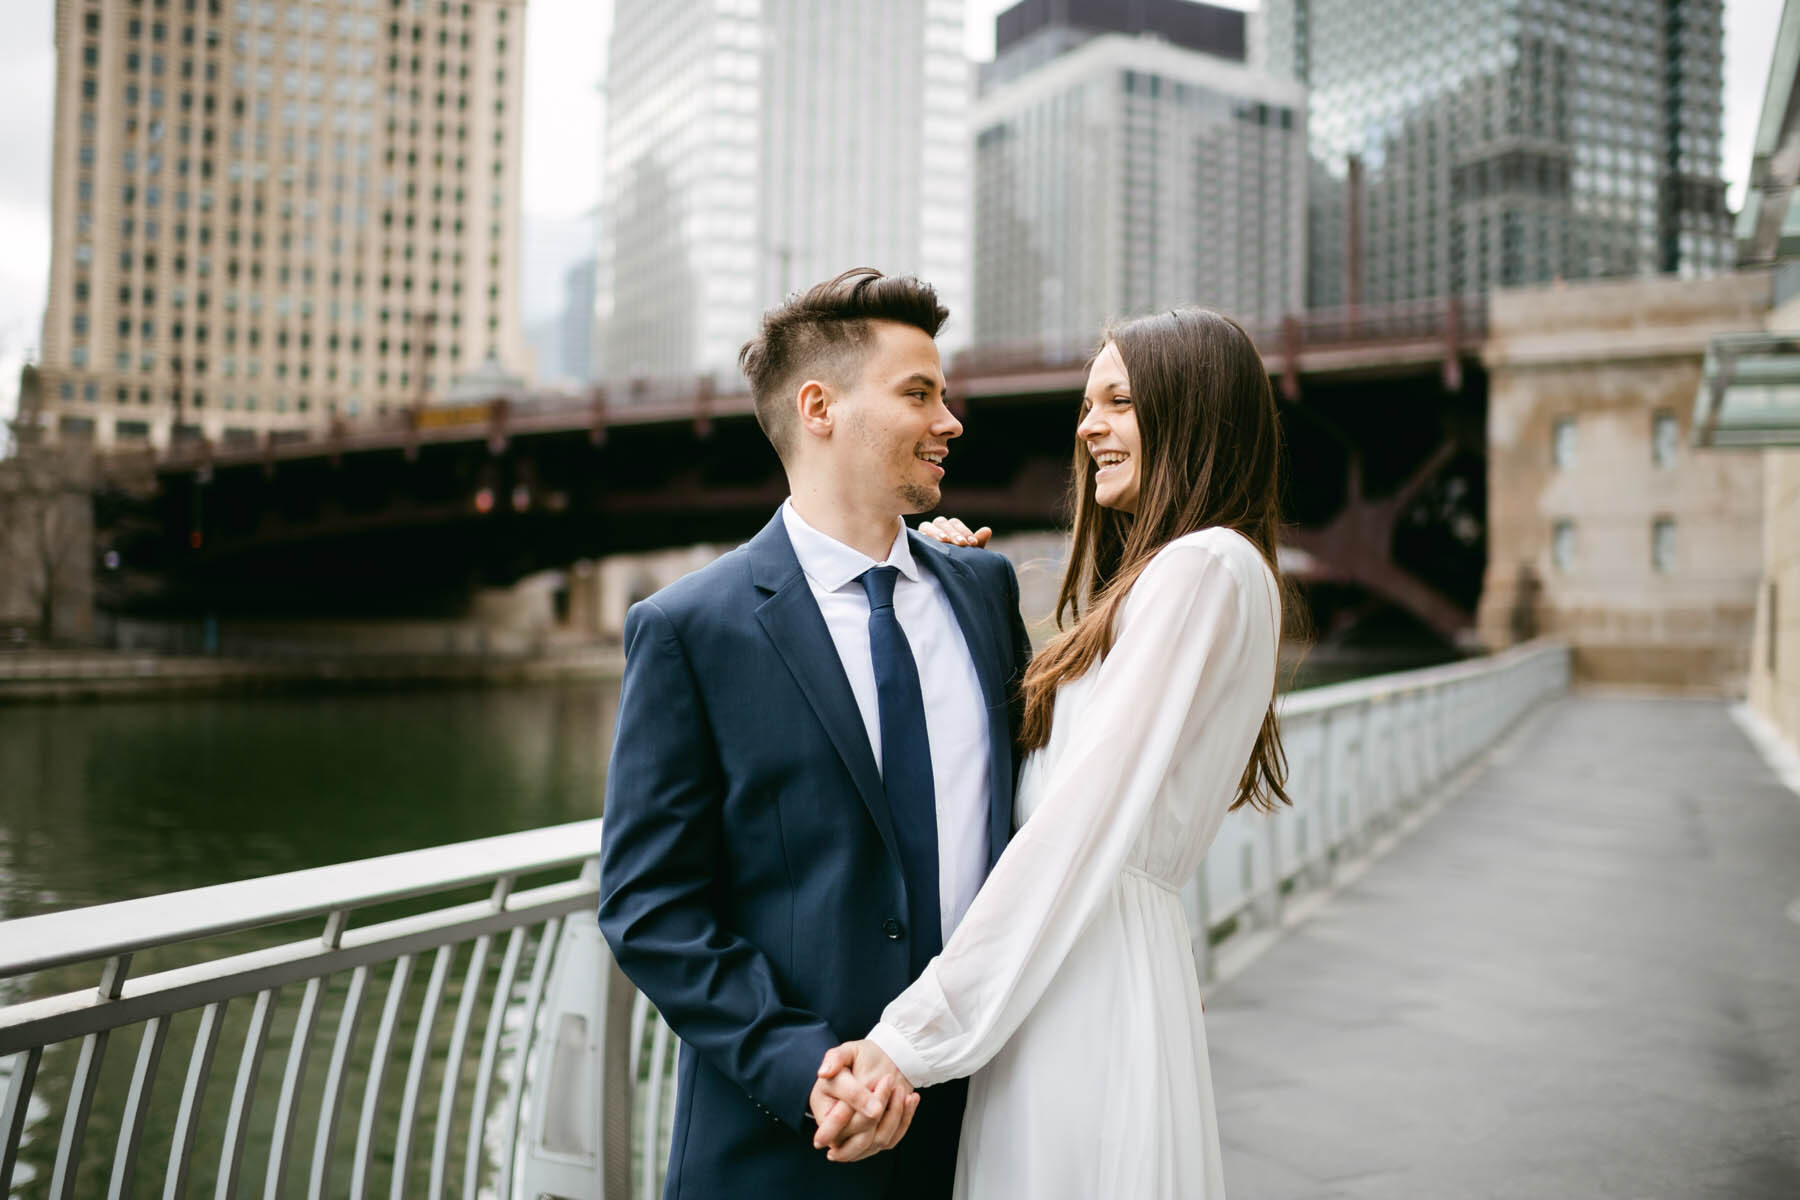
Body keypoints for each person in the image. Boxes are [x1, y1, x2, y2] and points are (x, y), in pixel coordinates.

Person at [814, 307, 1293, 1198]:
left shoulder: (1201, 569)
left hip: (1082, 968)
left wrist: (909, 1038)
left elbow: (1075, 821)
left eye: (1117, 400)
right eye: (1087, 403)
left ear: (1191, 411)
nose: (1087, 427)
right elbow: (1060, 764)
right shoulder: (1201, 576)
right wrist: (943, 588)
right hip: (1079, 960)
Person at [596, 268, 1034, 1198]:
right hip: (787, 1145)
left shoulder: (984, 591)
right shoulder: (690, 629)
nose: (950, 420)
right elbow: (651, 905)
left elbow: (1030, 824)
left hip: (989, 1124)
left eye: (944, 394)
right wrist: (810, 1072)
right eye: (918, 393)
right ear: (819, 406)